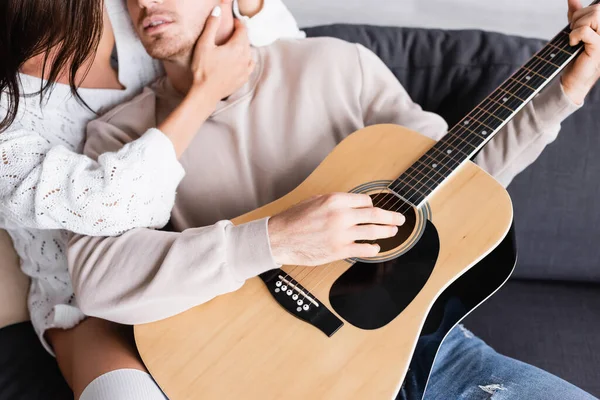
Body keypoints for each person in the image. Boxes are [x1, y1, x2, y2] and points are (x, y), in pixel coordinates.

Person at [69, 0, 600, 398]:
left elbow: (460, 182)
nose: (143, 1)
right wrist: (273, 240)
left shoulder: (337, 64)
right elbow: (96, 280)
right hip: (259, 370)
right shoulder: (122, 138)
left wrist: (564, 93)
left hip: (428, 353)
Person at [0, 0, 305, 398]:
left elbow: (289, 57)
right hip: (91, 303)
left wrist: (246, 5)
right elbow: (109, 203)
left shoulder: (130, 12)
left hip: (197, 238)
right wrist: (204, 93)